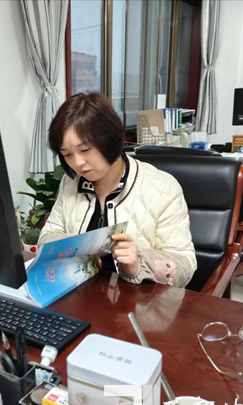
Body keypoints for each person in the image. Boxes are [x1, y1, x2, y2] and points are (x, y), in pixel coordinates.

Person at [38, 92, 197, 288]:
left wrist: (138, 263)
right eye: (67, 154)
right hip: (81, 294)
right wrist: (76, 249)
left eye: (85, 150)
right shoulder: (70, 183)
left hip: (140, 301)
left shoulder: (162, 187)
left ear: (109, 139)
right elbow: (48, 236)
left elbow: (185, 265)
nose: (78, 163)